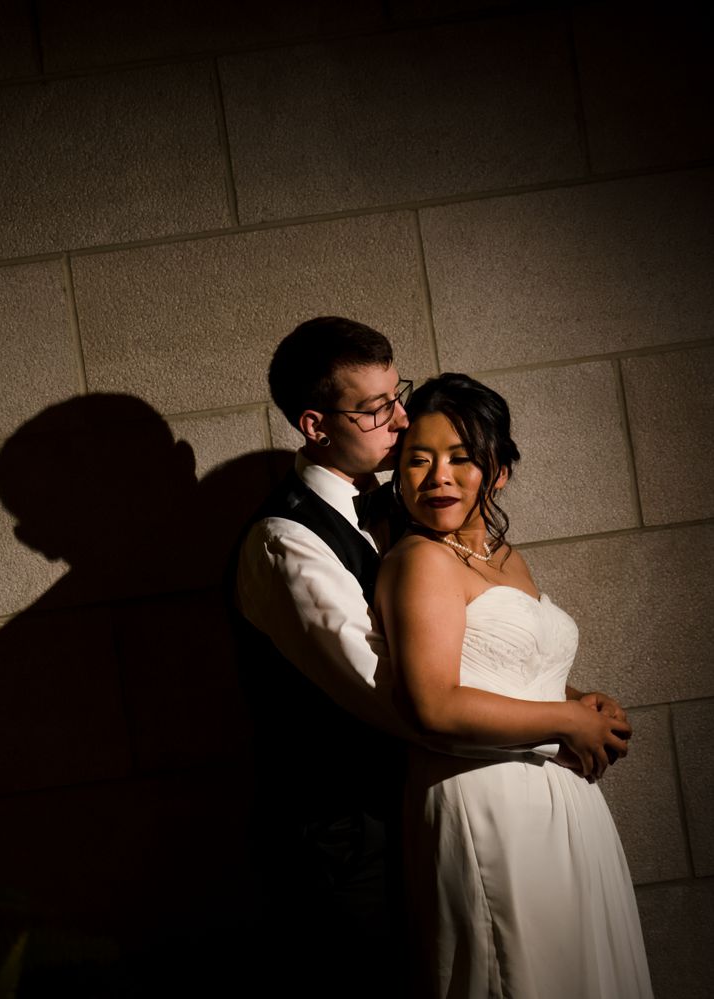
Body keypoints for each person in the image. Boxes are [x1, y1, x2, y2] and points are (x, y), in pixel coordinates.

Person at [231, 317, 614, 995]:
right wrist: (561, 727)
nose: (401, 417)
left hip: (430, 803)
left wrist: (569, 696)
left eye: (397, 393)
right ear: (317, 425)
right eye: (376, 408)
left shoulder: (405, 510)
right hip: (350, 840)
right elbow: (402, 698)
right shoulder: (286, 541)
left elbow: (465, 651)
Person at [376, 373, 652, 998]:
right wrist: (568, 722)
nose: (437, 476)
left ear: (498, 471)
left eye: (461, 458)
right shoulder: (422, 560)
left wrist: (579, 697)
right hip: (487, 801)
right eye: (418, 459)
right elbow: (435, 703)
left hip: (557, 801)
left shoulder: (503, 555)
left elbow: (509, 668)